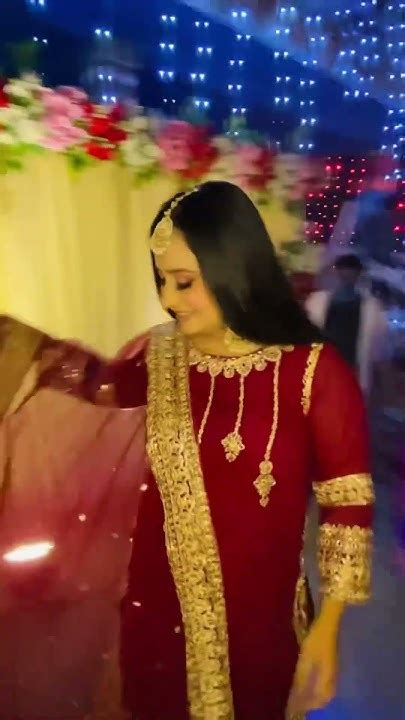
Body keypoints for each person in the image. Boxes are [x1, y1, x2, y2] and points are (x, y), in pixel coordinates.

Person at [0, 182, 374, 720]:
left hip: (260, 625)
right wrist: (15, 343)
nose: (169, 300)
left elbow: (348, 506)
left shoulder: (316, 371)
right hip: (153, 614)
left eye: (184, 282)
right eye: (163, 282)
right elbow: (95, 383)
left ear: (233, 268)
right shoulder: (162, 355)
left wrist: (329, 628)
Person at [305, 253, 387, 394]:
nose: (346, 278)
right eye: (343, 274)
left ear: (358, 275)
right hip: (323, 365)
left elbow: (378, 344)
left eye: (350, 274)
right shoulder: (316, 301)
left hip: (352, 366)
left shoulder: (372, 307)